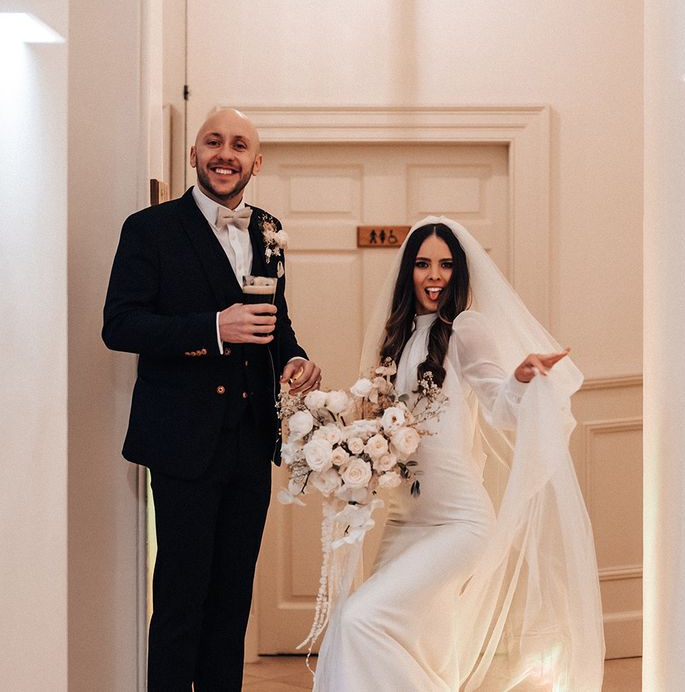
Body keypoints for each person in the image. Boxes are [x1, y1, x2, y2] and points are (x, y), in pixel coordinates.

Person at [313, 217, 604, 691]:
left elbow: (501, 406)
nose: (434, 275)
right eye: (423, 264)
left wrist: (522, 378)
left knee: (359, 620)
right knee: (414, 644)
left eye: (445, 265)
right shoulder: (399, 336)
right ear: (409, 271)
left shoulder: (467, 329)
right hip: (404, 520)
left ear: (459, 273)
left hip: (458, 523)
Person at [102, 109, 321, 691]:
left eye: (239, 145)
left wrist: (294, 358)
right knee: (180, 602)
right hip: (182, 445)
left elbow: (274, 325)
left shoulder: (269, 230)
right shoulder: (149, 229)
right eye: (214, 142)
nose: (226, 154)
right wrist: (212, 328)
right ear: (193, 153)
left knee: (232, 604)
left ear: (256, 161)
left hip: (250, 444)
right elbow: (120, 326)